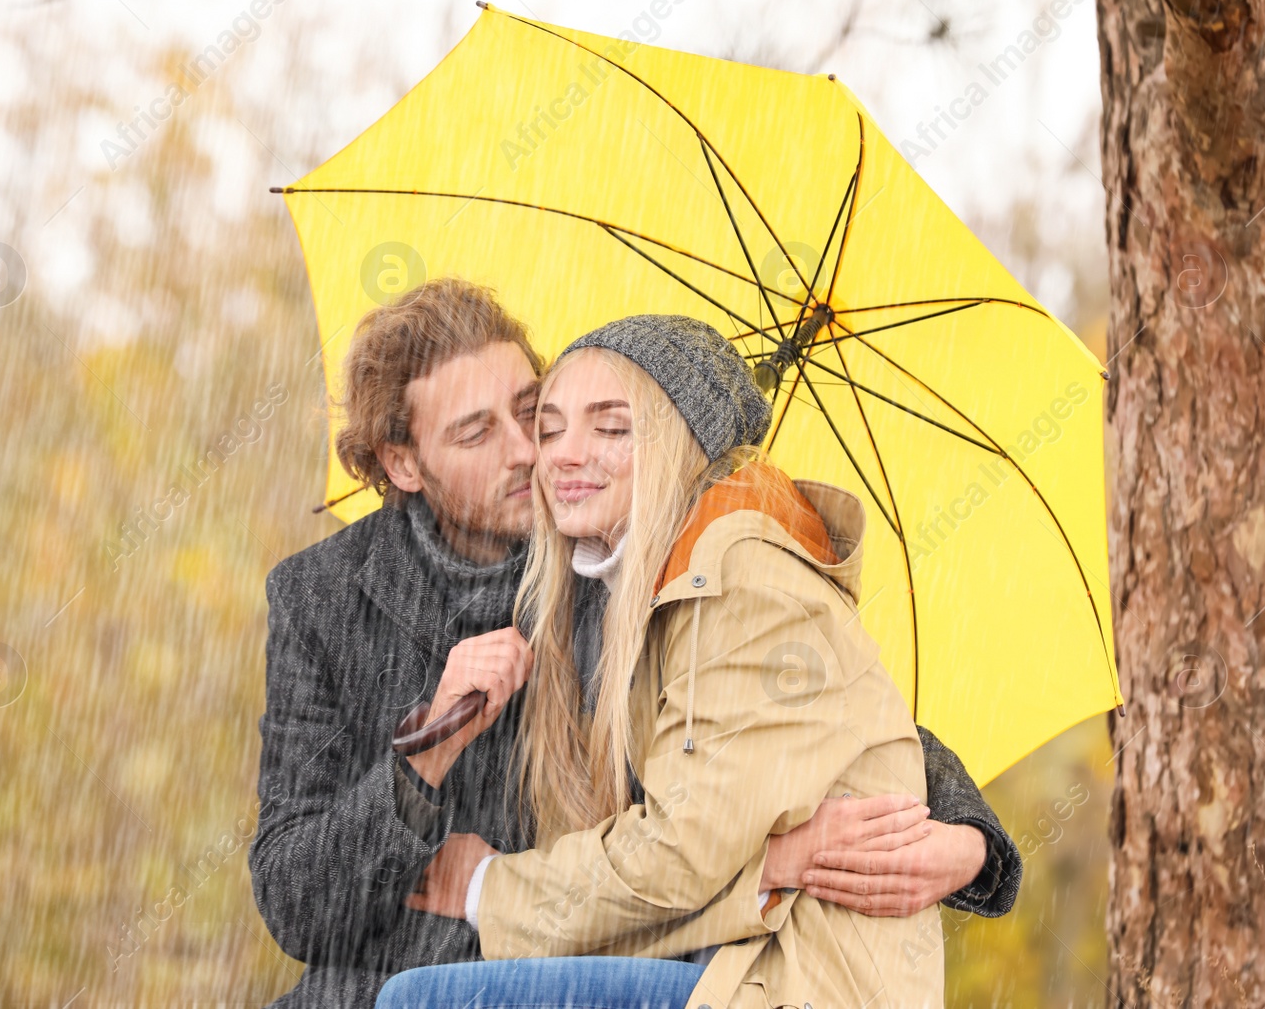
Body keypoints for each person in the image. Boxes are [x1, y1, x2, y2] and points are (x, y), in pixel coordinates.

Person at [249, 282, 1020, 1008]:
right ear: (404, 463)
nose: (529, 453)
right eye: (477, 432)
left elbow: (802, 701)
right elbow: (296, 898)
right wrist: (429, 745)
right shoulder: (322, 600)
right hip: (399, 970)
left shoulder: (613, 548)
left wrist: (967, 842)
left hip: (611, 949)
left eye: (532, 412)